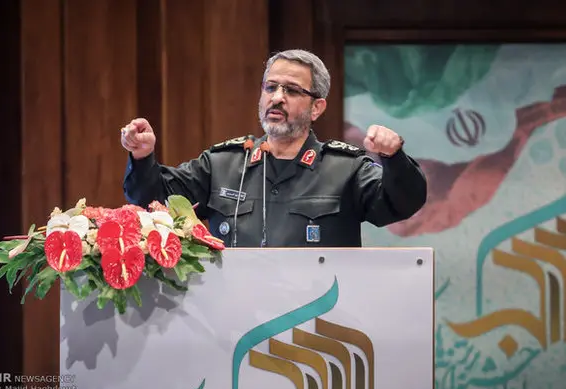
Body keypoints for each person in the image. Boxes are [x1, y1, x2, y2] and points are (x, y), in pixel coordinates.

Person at [120, 49, 427, 248]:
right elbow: (153, 200)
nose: (277, 97)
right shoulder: (223, 164)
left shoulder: (346, 168)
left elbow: (402, 203)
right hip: (234, 319)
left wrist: (394, 157)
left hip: (317, 321)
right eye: (270, 87)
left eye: (291, 90)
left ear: (317, 107)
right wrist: (142, 156)